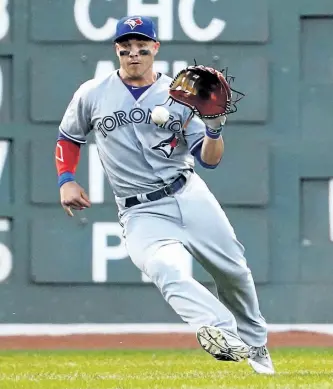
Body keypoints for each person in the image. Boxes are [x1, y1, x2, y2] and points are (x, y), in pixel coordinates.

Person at [55, 15, 274, 374]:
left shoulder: (182, 95)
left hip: (188, 194)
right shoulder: (92, 93)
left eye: (142, 47)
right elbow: (68, 137)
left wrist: (216, 130)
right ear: (117, 50)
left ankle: (256, 344)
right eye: (126, 48)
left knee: (233, 271)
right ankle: (219, 331)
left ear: (155, 48)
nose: (133, 54)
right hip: (139, 210)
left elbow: (210, 161)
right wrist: (66, 178)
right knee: (162, 268)